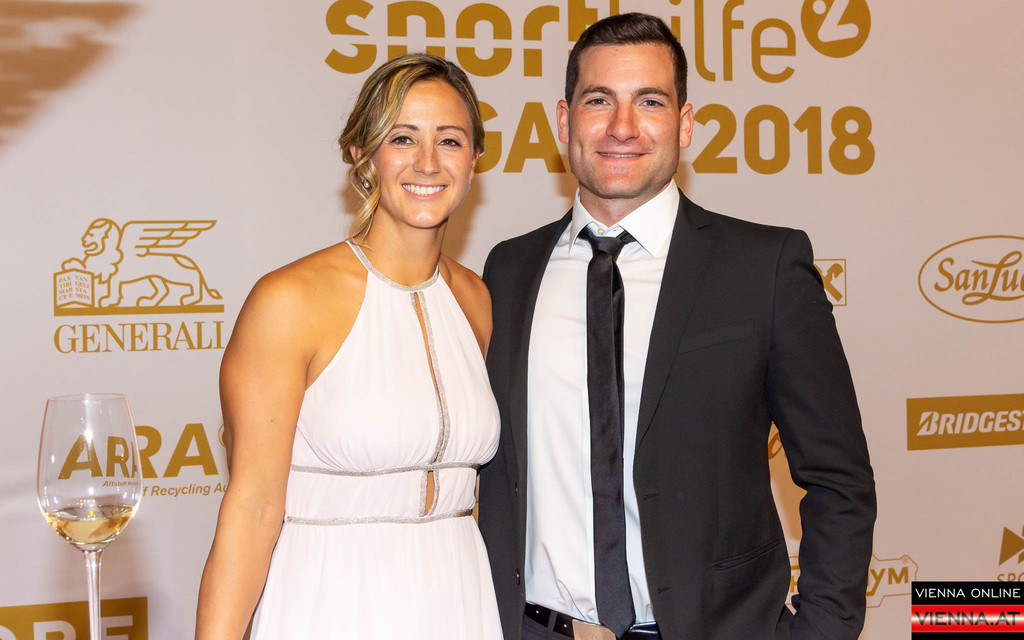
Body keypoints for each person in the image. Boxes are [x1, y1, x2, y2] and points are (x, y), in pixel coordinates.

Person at [479, 13, 876, 640]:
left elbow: (839, 479)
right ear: (563, 121)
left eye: (650, 101)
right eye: (599, 100)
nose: (622, 127)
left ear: (685, 124)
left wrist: (820, 629)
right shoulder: (508, 269)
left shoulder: (764, 268)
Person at [195, 53, 503, 639]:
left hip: (460, 597)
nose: (428, 162)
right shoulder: (289, 301)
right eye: (402, 138)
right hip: (333, 600)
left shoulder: (476, 299)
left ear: (473, 161)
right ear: (363, 156)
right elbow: (253, 509)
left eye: (450, 140)